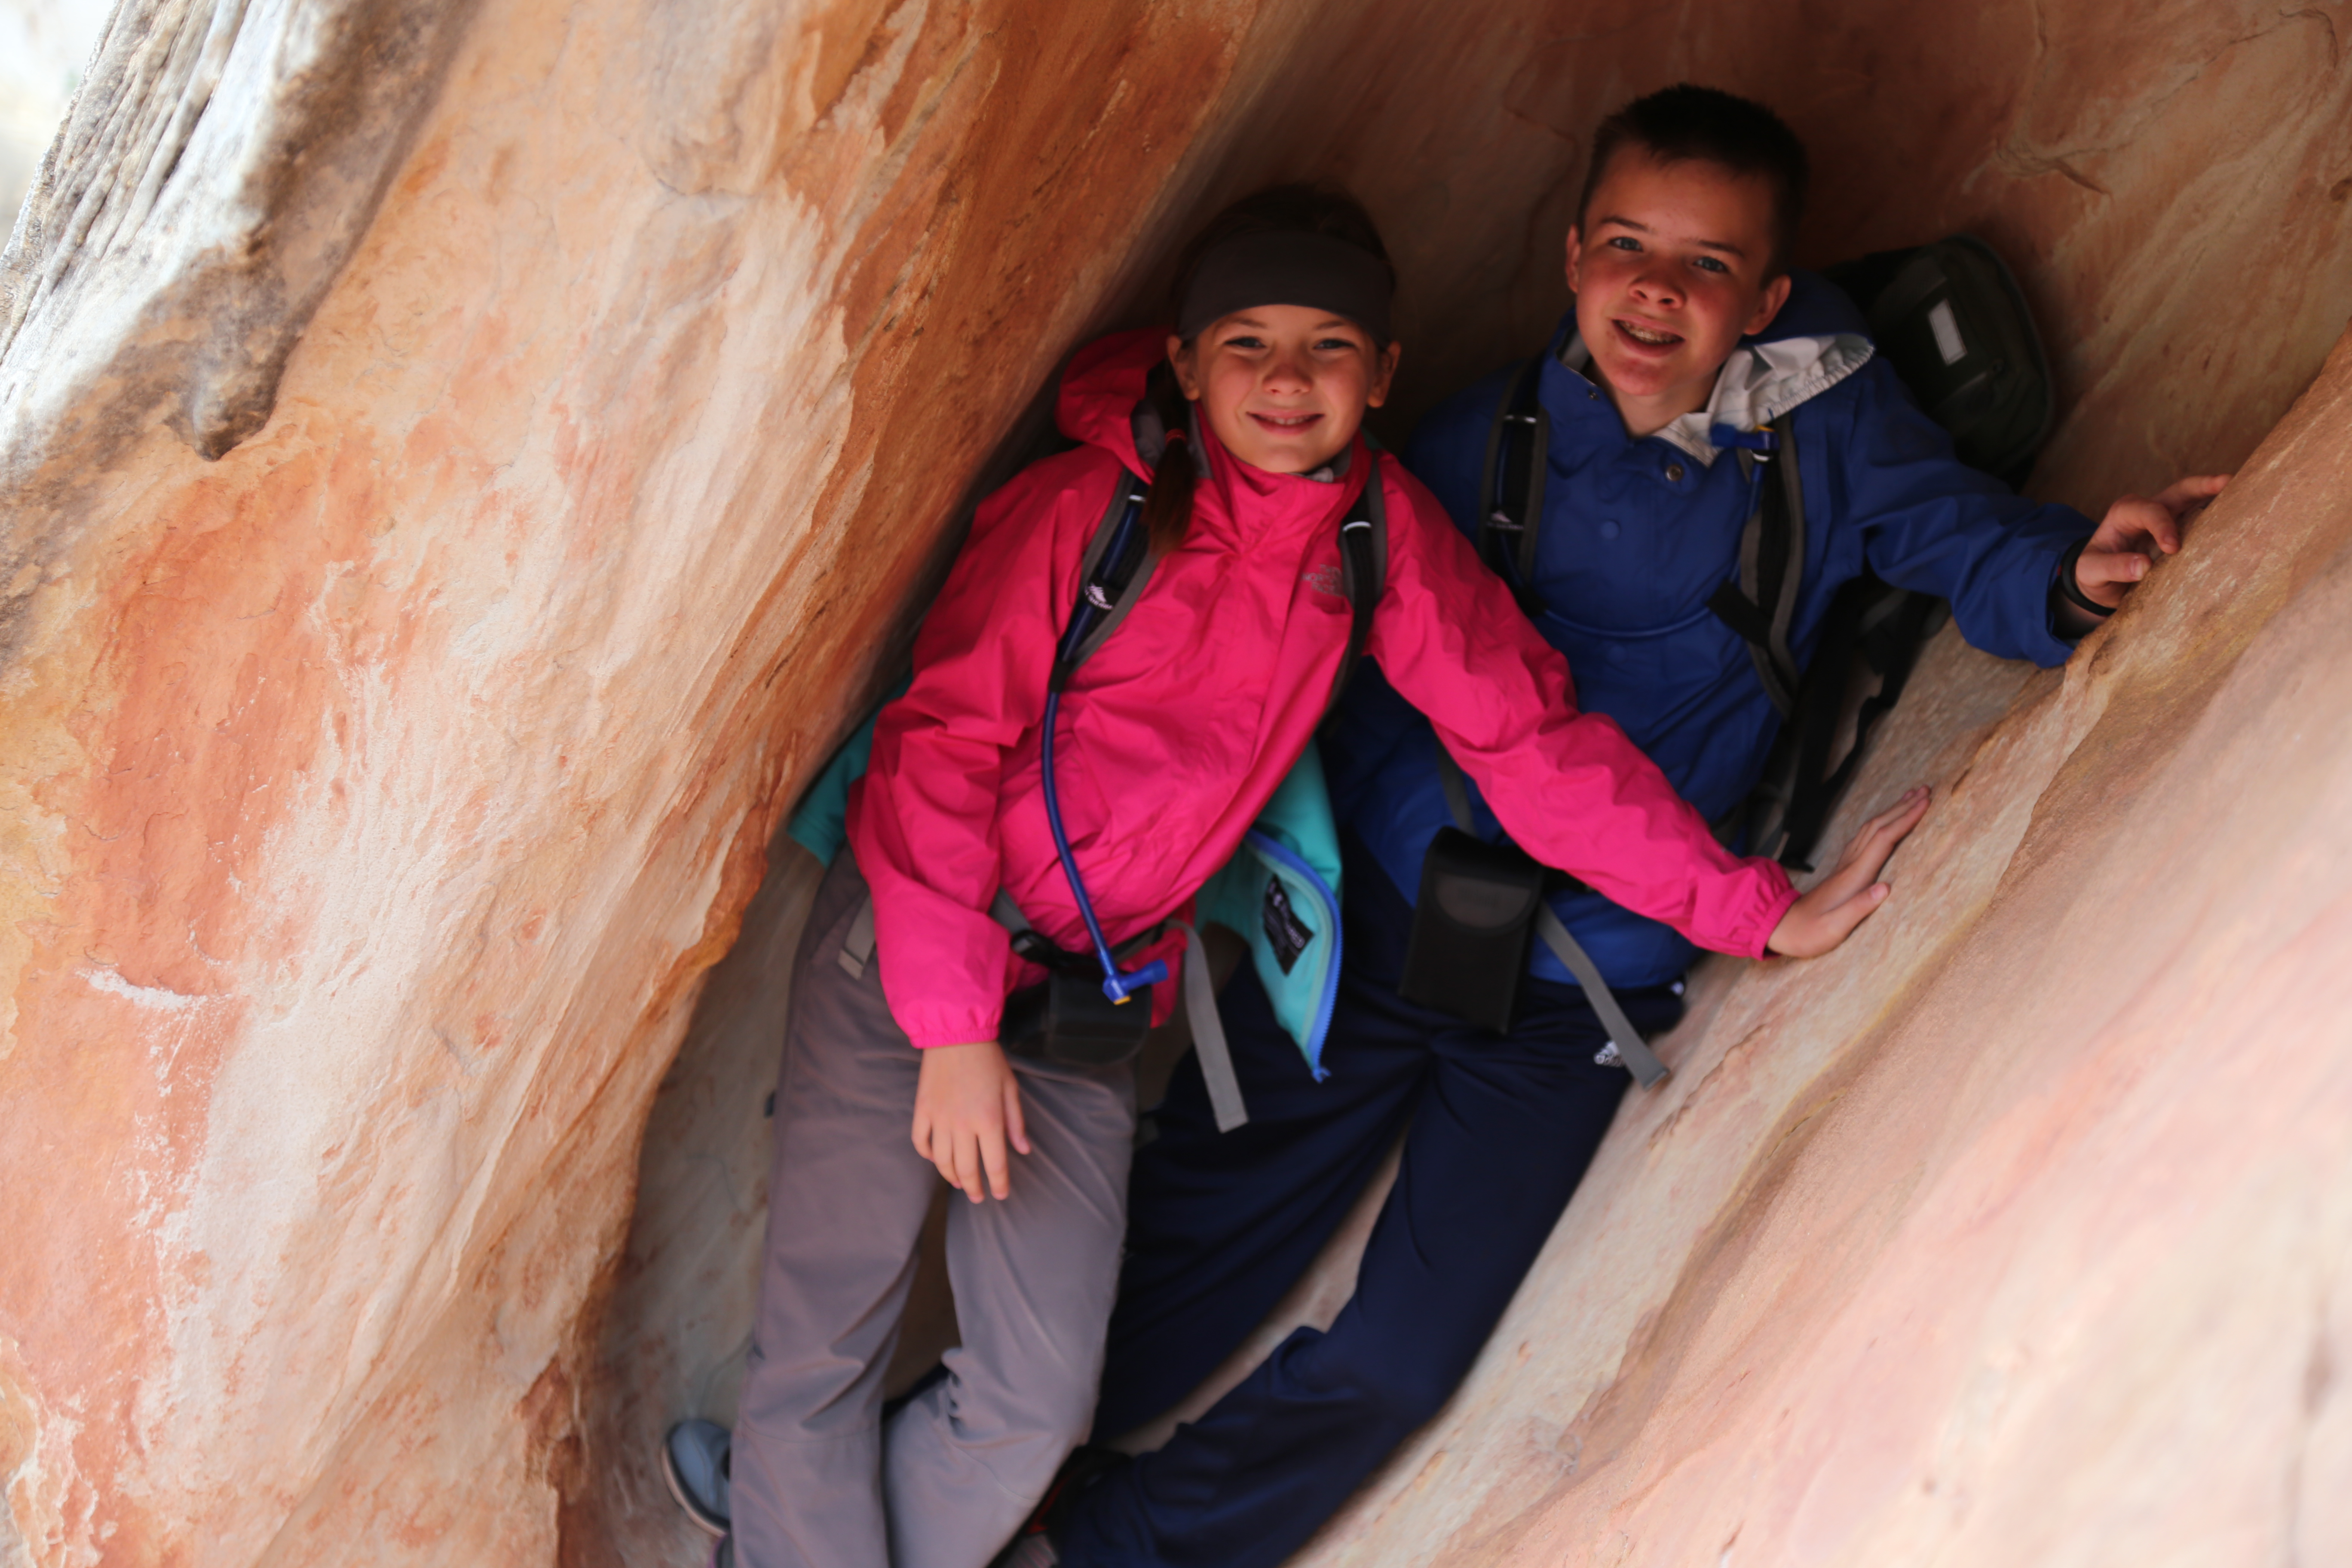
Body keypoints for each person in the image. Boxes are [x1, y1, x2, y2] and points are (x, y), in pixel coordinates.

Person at [1049, 88, 2225, 1568]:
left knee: (1402, 1358)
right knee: (1184, 1239)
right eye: (1626, 247)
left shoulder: (1830, 435)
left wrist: (2077, 577)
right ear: (1569, 258)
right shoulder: (1485, 434)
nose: (1657, 290)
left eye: (1709, 264)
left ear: (1771, 299)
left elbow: (1966, 542)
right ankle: (961, 1488)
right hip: (1401, 909)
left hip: (1589, 975)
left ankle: (1106, 1553)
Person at [662, 182, 1912, 1568]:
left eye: (1327, 347)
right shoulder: (1095, 512)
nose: (1285, 380)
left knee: (1036, 1404)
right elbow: (940, 749)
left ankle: (776, 1537)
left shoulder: (1377, 537)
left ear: (1381, 375)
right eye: (1247, 344)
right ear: (1188, 362)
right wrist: (953, 1029)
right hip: (916, 952)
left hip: (1088, 1000)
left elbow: (1531, 745)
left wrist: (1751, 908)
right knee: (824, 1350)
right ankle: (784, 1535)